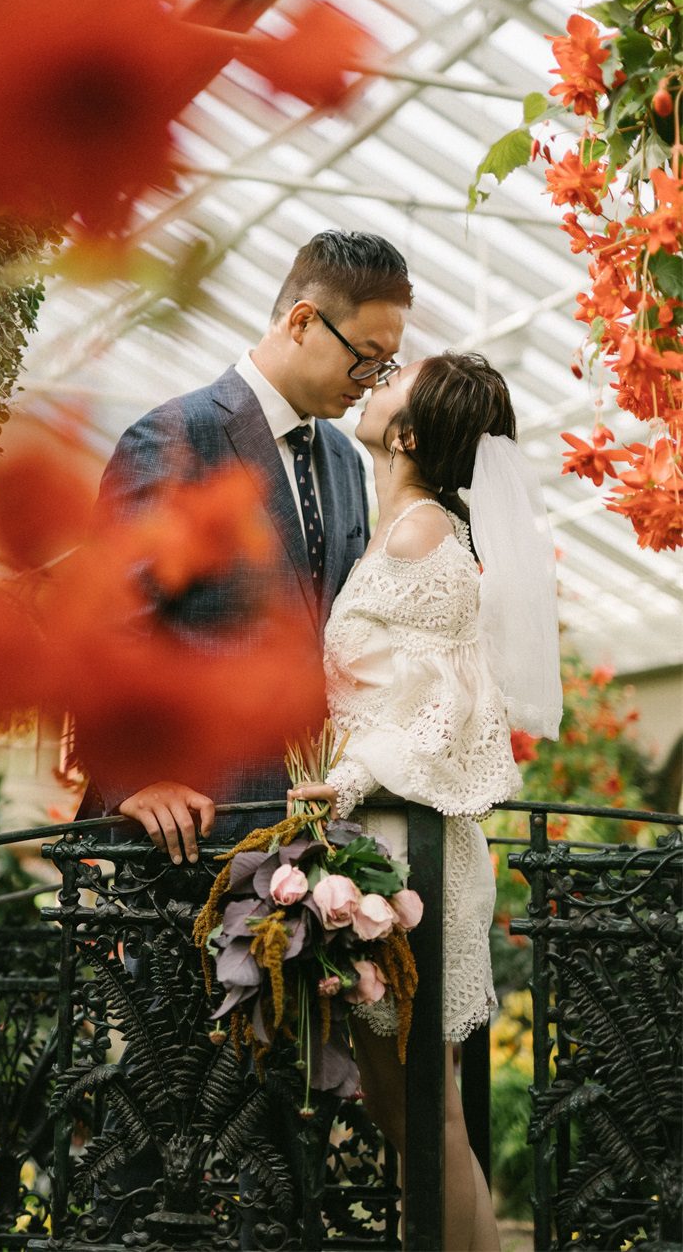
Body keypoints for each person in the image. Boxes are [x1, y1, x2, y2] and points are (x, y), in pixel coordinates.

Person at [289, 351, 562, 1252]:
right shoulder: (403, 525)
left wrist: (354, 776)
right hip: (387, 845)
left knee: (424, 1114)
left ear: (407, 434)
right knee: (408, 1108)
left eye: (394, 387)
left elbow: (451, 703)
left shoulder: (425, 540)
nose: (376, 383)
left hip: (407, 853)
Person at [80, 229, 413, 855]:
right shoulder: (174, 437)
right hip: (191, 832)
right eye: (365, 357)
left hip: (311, 833)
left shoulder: (344, 457)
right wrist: (135, 781)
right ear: (303, 322)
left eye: (385, 366)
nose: (372, 382)